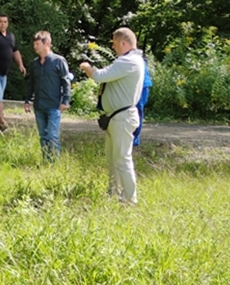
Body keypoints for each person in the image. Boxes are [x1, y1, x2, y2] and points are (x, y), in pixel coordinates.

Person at [79, 28, 145, 204]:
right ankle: (114, 193)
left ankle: (130, 200)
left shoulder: (128, 61)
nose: (114, 48)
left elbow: (100, 76)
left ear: (123, 43)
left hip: (122, 118)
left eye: (115, 44)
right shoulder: (131, 60)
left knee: (122, 159)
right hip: (115, 117)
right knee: (112, 158)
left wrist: (86, 67)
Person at [22, 31, 71, 161]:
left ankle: (55, 164)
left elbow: (66, 81)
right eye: (34, 44)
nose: (35, 47)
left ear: (47, 44)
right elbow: (31, 83)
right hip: (39, 106)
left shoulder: (58, 61)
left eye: (37, 44)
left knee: (53, 135)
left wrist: (65, 100)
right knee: (43, 136)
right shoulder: (34, 64)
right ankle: (46, 162)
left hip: (54, 105)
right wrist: (27, 100)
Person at [133, 54, 152, 146]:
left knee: (138, 110)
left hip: (142, 87)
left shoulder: (136, 59)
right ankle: (133, 137)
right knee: (135, 110)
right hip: (137, 86)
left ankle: (135, 138)